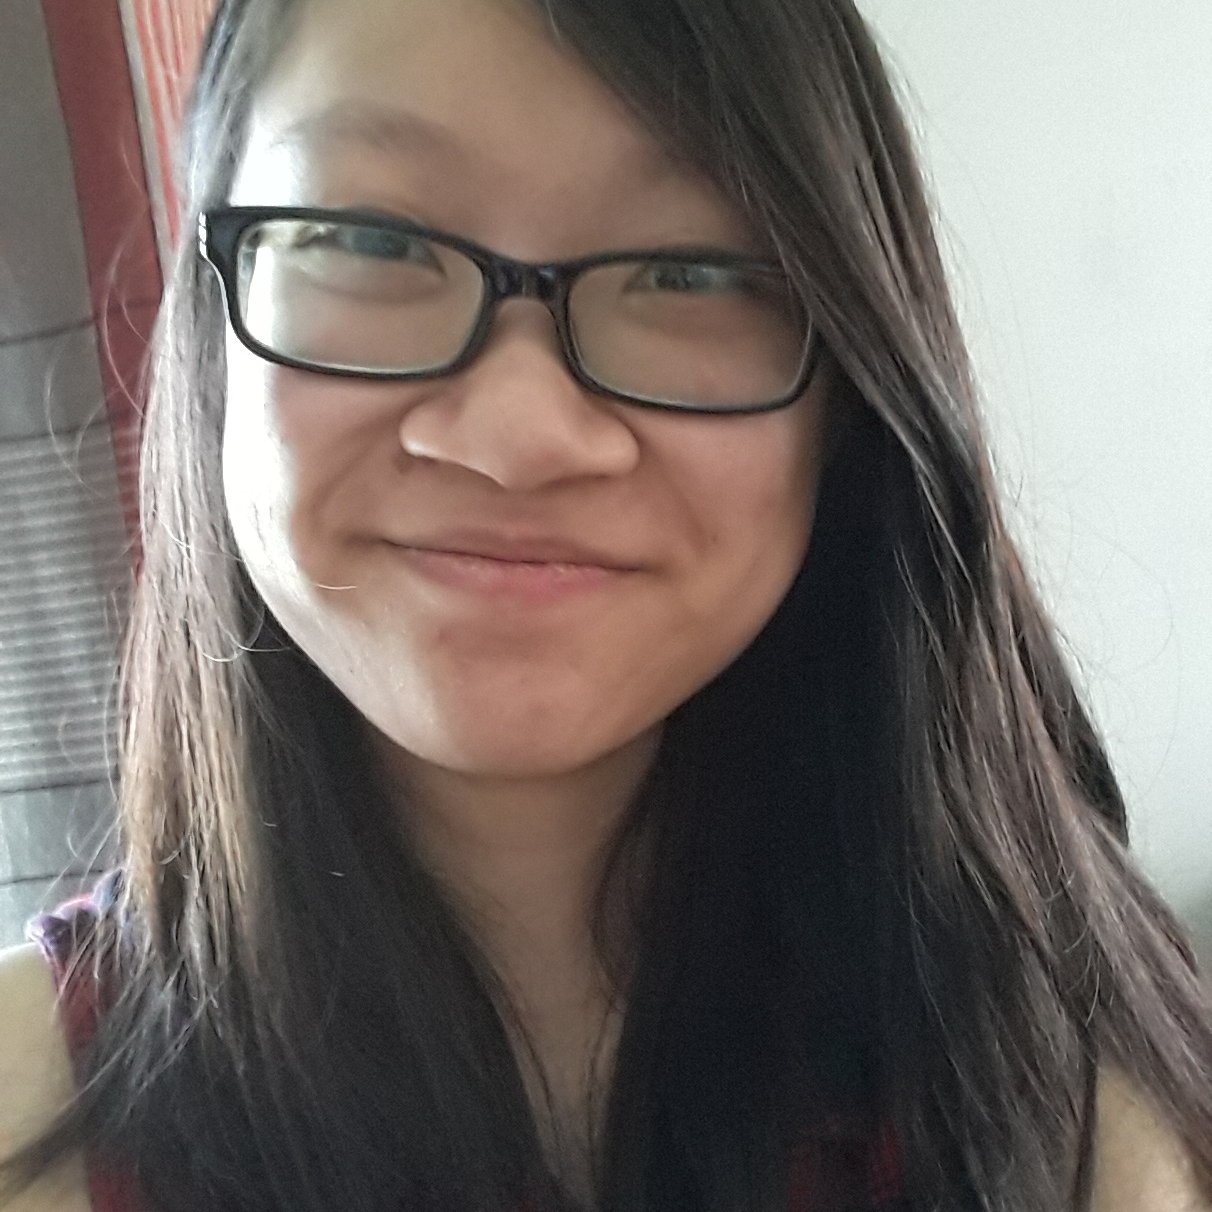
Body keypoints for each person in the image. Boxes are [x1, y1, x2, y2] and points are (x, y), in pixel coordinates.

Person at [2, 0, 1211, 1209]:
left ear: (850, 390)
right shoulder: (25, 1109)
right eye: (372, 242)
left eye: (687, 272)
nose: (519, 437)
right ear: (213, 329)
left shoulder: (1077, 1098)